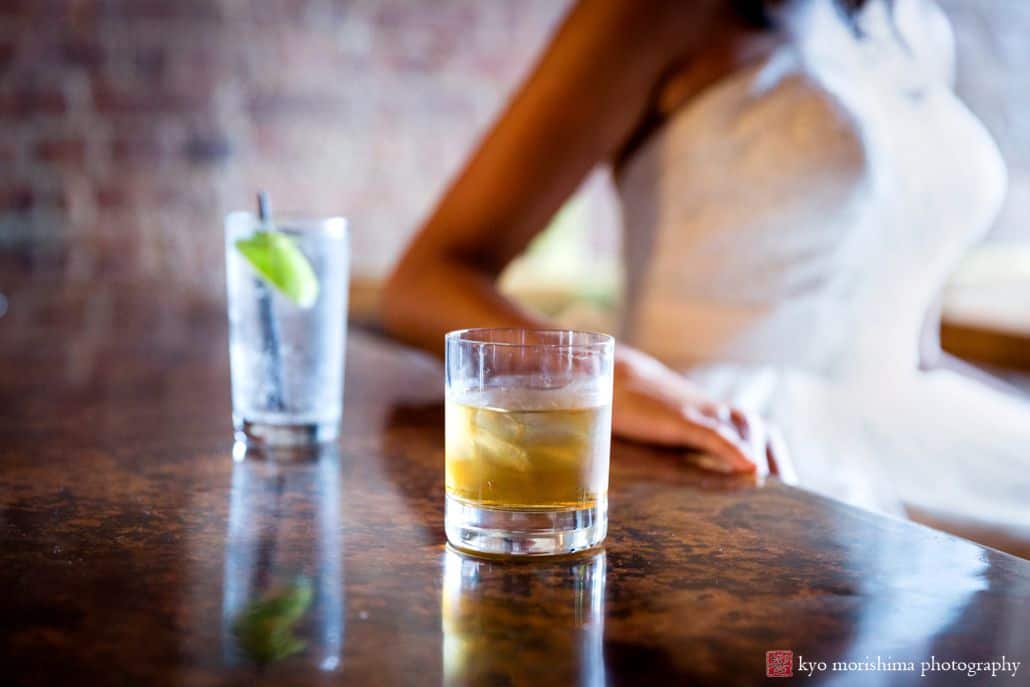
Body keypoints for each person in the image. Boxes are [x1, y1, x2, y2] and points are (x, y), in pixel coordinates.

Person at [382, 0, 1030, 551]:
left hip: (910, 418)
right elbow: (425, 277)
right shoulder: (656, 12)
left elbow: (907, 336)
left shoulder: (914, 29)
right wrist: (623, 378)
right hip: (726, 428)